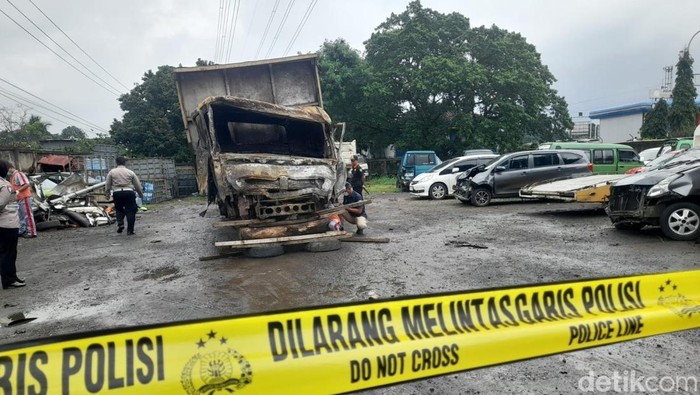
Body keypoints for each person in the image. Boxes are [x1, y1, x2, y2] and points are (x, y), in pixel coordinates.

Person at [0, 160, 26, 289]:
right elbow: (1, 203)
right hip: (8, 223)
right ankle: (8, 279)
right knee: (8, 253)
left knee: (7, 252)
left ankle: (11, 276)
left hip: (5, 223)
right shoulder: (5, 185)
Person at [105, 157, 144, 236]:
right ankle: (130, 230)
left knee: (118, 208)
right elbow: (137, 185)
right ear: (125, 163)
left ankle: (120, 223)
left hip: (117, 193)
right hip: (129, 192)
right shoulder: (130, 172)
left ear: (116, 163)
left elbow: (107, 184)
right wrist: (141, 194)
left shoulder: (112, 172)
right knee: (131, 211)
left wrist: (107, 194)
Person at [8, 164, 36, 238]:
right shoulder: (13, 176)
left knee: (27, 215)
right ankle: (23, 230)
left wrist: (17, 191)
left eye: (8, 169)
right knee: (21, 216)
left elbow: (26, 184)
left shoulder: (18, 174)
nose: (7, 171)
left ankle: (31, 232)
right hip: (19, 198)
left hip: (25, 197)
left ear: (11, 168)